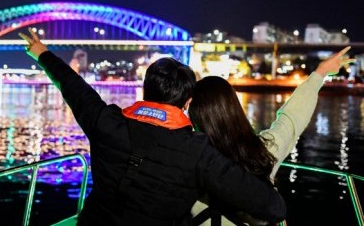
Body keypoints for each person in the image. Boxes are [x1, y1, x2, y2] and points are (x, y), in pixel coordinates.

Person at [19, 27, 286, 226]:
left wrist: (42, 53)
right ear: (188, 102)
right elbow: (273, 207)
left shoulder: (106, 122)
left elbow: (73, 86)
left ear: (145, 90)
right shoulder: (198, 153)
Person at [189, 46, 353, 226]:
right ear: (234, 109)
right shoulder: (261, 152)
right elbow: (291, 118)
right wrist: (321, 72)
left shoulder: (185, 157)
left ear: (195, 114)